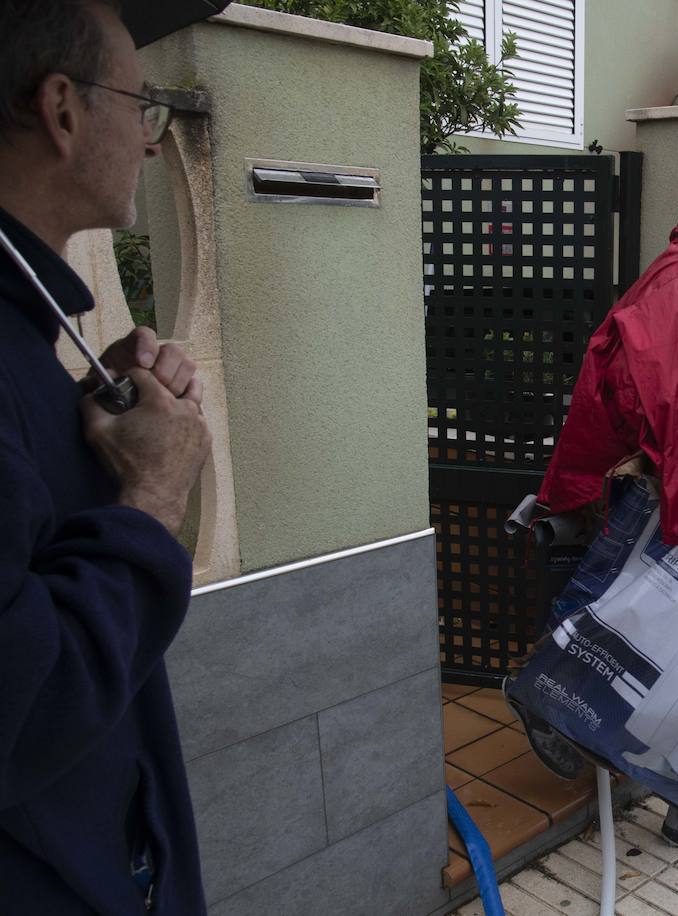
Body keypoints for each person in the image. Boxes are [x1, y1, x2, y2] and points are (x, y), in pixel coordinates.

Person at [0, 1, 214, 912]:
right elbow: (25, 701)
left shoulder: (28, 331)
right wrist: (151, 493)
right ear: (63, 109)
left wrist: (91, 420)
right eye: (142, 105)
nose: (153, 140)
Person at [515, 169, 678, 846]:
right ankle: (546, 690)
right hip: (648, 470)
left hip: (639, 462)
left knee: (637, 599)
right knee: (635, 600)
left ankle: (569, 702)